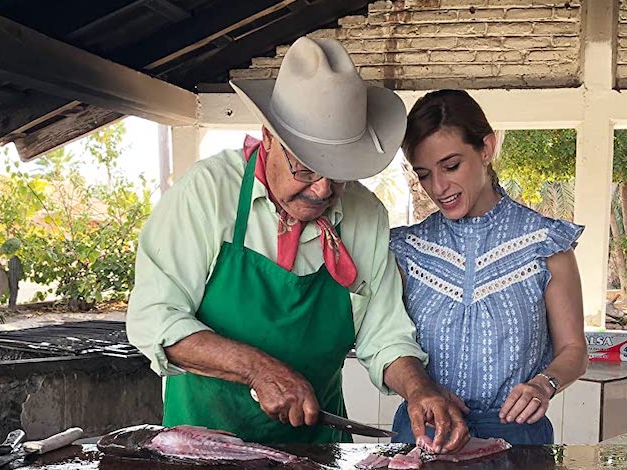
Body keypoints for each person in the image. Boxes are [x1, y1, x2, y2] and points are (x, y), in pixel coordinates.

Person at [126, 37, 468, 451]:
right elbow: (154, 319)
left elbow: (385, 335)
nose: (323, 190)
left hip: (317, 447)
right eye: (306, 169)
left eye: (338, 173)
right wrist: (256, 369)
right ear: (268, 138)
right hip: (204, 446)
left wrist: (418, 389)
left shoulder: (365, 215)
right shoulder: (207, 193)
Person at [388, 89, 588, 445]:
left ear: (486, 148)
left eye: (451, 166)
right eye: (424, 174)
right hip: (426, 436)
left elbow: (573, 350)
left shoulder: (546, 244)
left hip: (518, 440)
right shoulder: (407, 250)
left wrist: (545, 384)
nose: (439, 187)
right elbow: (383, 345)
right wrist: (421, 389)